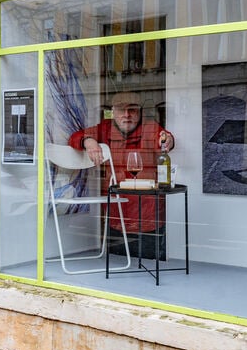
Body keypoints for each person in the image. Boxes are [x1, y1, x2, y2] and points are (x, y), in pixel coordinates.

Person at [68, 91, 174, 258]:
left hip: (147, 216)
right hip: (116, 216)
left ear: (139, 112)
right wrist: (88, 141)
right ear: (112, 111)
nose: (126, 115)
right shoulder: (105, 128)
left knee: (149, 263)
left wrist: (168, 140)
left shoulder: (150, 127)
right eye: (120, 109)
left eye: (132, 109)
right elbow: (76, 137)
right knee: (117, 262)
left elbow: (164, 138)